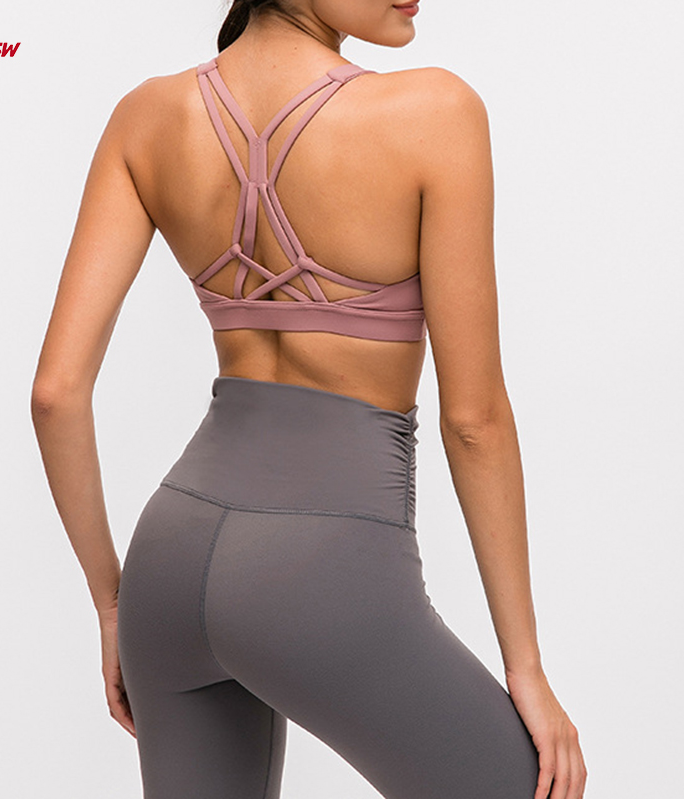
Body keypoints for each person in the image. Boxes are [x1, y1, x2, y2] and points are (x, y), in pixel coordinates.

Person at [31, 1, 587, 797]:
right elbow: (475, 420)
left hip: (168, 567)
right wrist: (524, 666)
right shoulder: (434, 111)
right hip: (324, 568)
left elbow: (55, 394)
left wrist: (113, 602)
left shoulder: (145, 117)